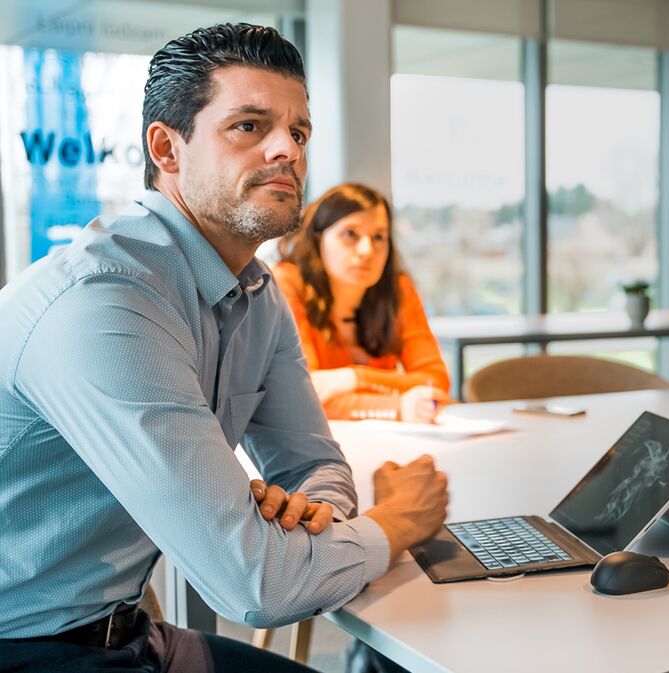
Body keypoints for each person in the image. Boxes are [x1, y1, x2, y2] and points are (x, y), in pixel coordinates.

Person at [0, 23, 448, 673]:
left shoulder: (257, 294)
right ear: (167, 147)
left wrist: (313, 514)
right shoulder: (106, 302)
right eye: (249, 126)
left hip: (126, 629)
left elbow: (316, 466)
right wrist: (401, 522)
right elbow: (257, 586)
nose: (286, 150)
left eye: (298, 132)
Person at [275, 183, 451, 422]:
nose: (367, 250)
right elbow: (303, 397)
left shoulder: (398, 289)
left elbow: (435, 380)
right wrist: (398, 407)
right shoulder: (287, 284)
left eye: (379, 237)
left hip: (385, 439)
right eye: (350, 234)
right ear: (318, 239)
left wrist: (354, 378)